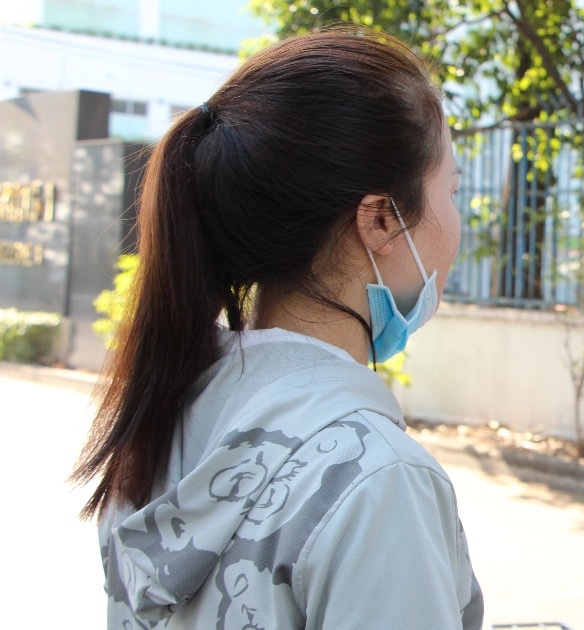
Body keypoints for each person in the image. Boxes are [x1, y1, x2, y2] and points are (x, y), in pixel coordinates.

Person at [71, 28, 484, 629]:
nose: (456, 219)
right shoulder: (377, 480)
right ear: (379, 219)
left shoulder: (166, 414)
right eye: (451, 187)